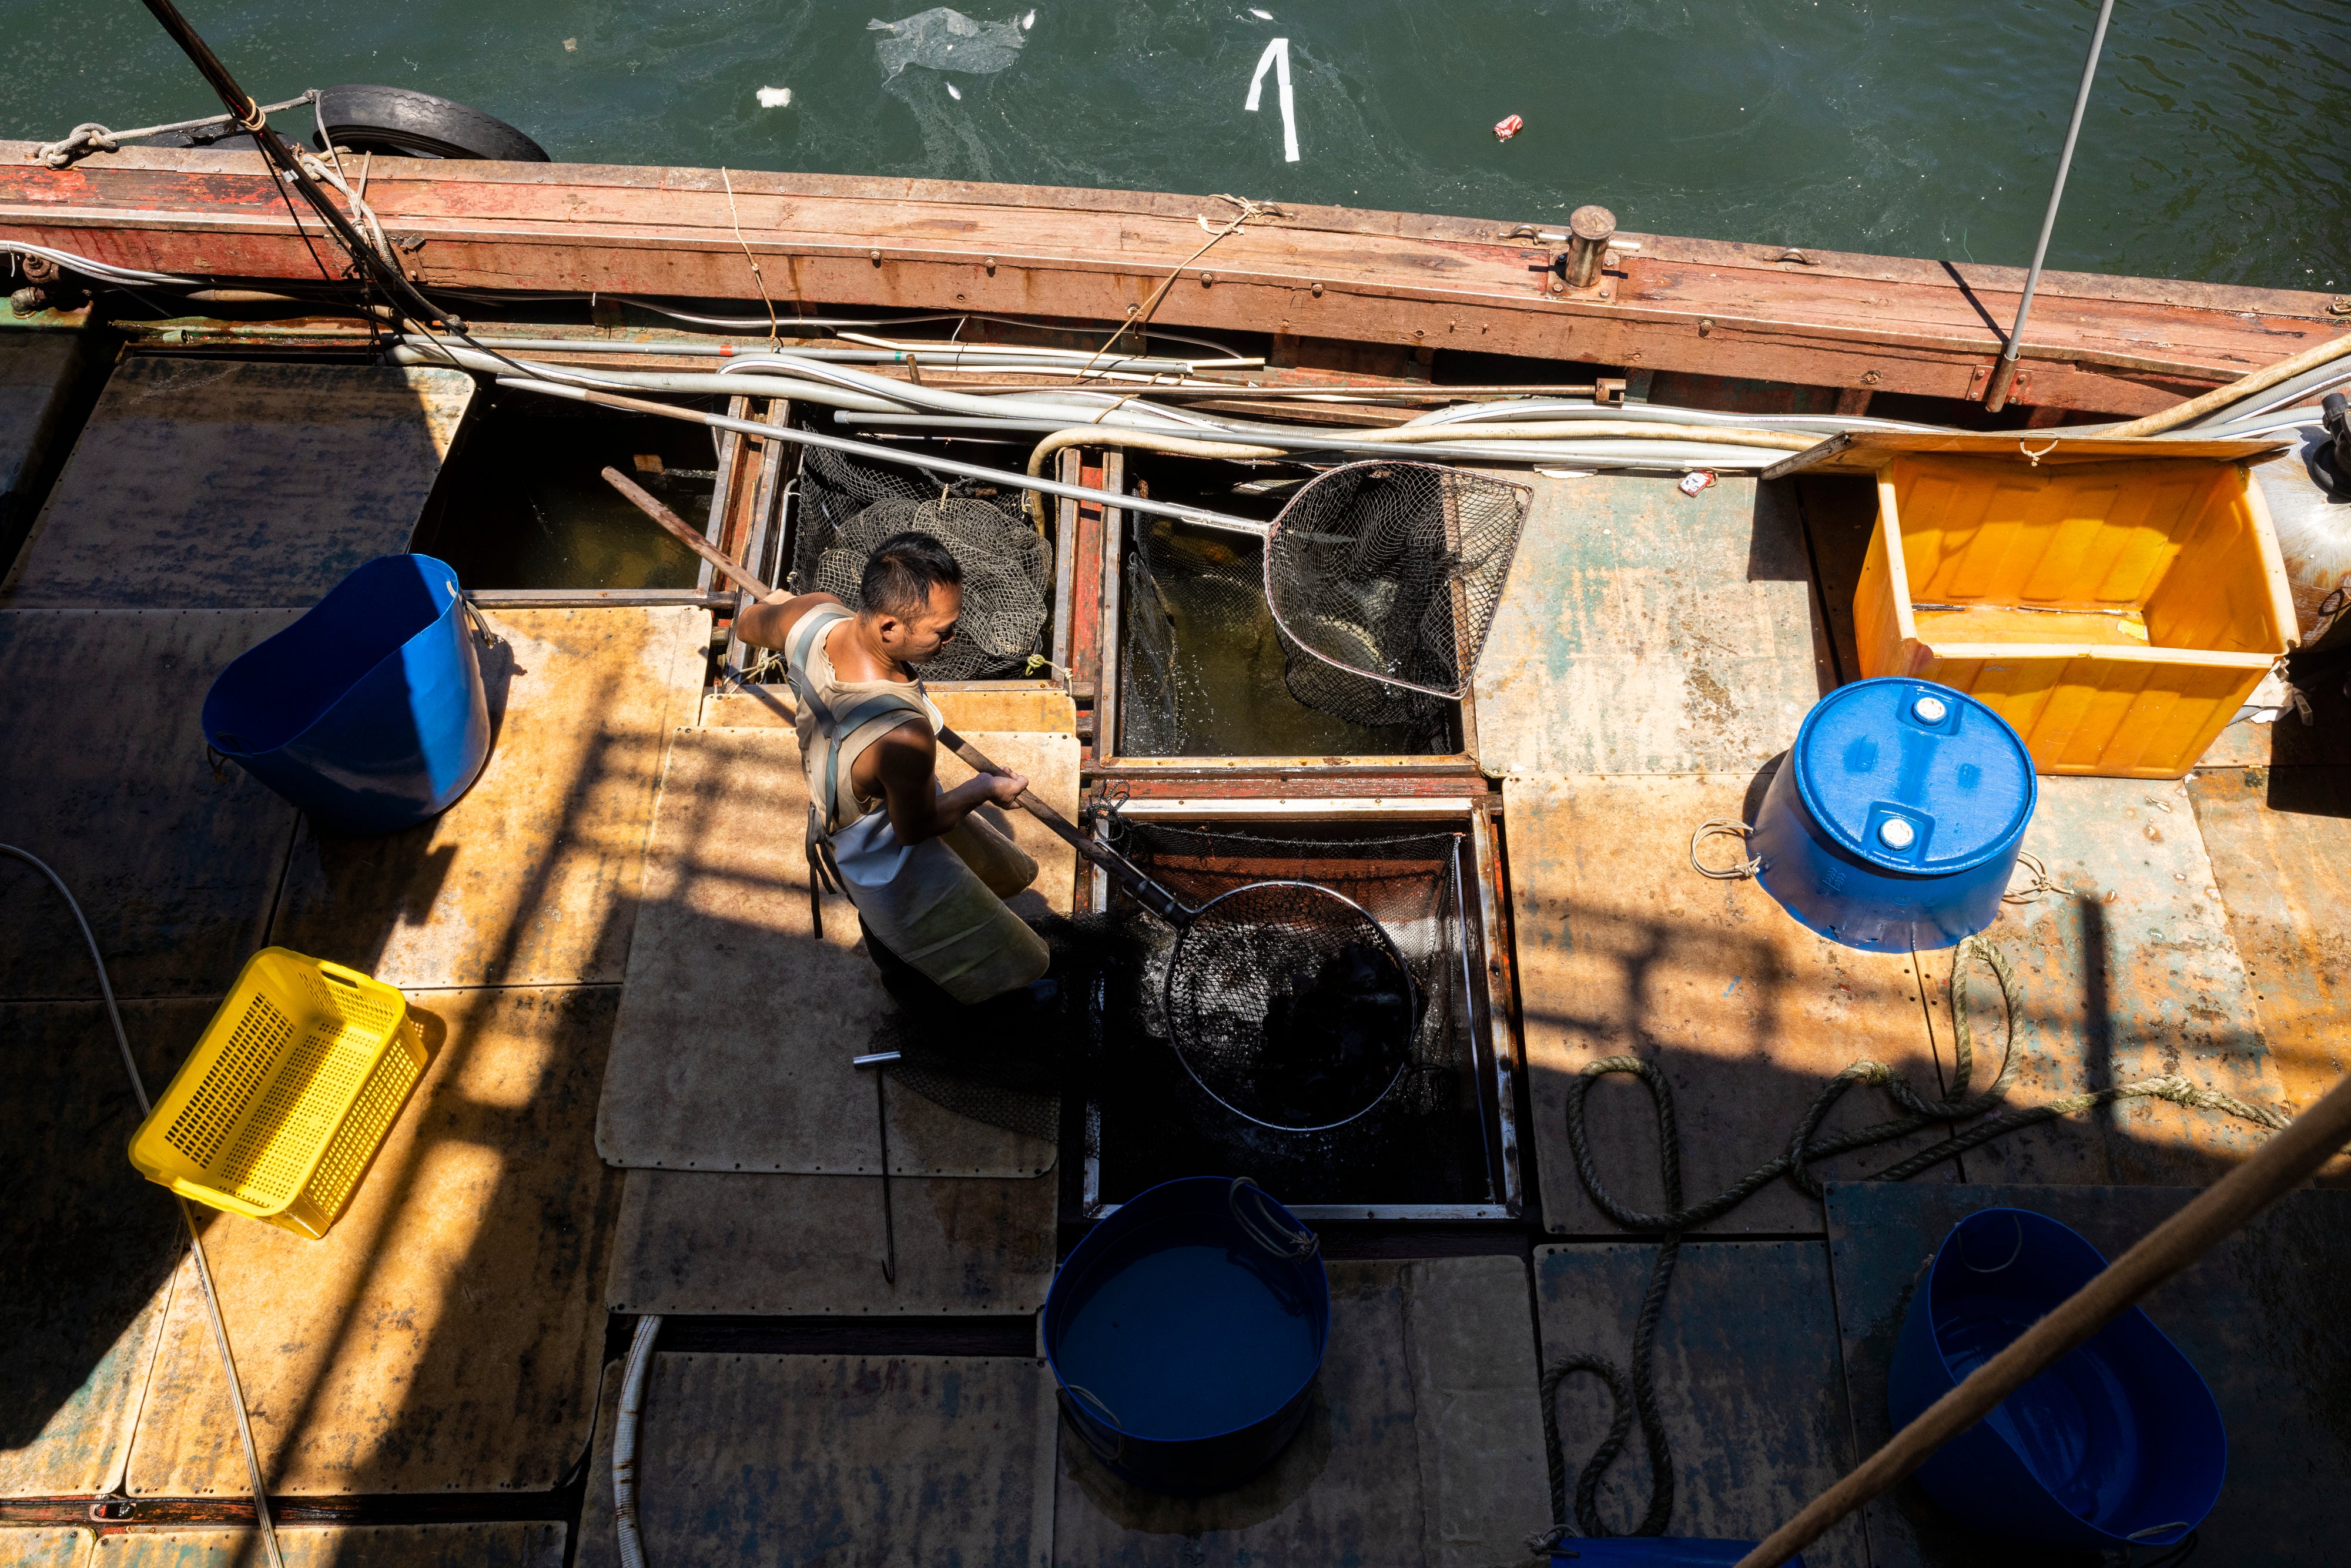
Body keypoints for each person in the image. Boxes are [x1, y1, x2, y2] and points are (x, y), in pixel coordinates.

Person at [734, 528, 1053, 1007]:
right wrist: (985, 788)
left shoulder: (811, 614)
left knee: (877, 915)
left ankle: (903, 977)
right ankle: (960, 1007)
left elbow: (745, 624)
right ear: (888, 627)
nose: (952, 639)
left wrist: (786, 612)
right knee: (927, 929)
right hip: (873, 839)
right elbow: (915, 827)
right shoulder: (903, 734)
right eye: (941, 631)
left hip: (836, 797)